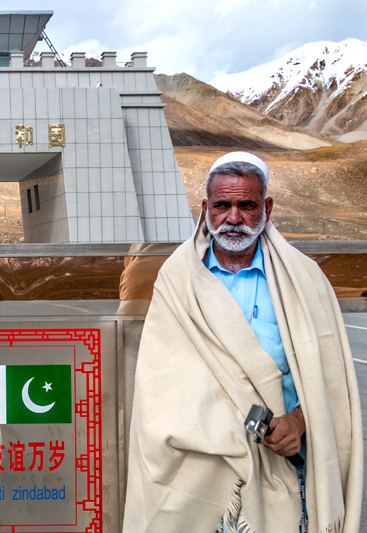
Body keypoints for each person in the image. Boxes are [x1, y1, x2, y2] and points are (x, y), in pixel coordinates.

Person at [123, 152, 362, 532]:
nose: (233, 218)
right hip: (195, 473)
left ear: (266, 208)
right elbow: (157, 385)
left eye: (246, 205)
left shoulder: (304, 280)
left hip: (279, 461)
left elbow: (328, 381)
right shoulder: (177, 279)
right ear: (205, 209)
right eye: (222, 205)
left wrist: (298, 422)